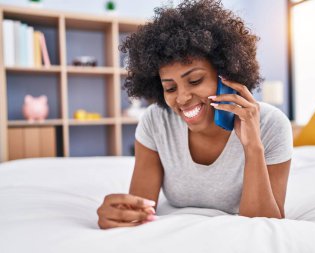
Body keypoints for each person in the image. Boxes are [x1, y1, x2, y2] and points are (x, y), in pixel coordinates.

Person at [97, 0, 293, 229]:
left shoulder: (272, 124)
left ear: (226, 76)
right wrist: (118, 214)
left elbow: (264, 227)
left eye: (195, 80)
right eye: (170, 88)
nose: (181, 98)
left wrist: (253, 147)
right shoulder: (156, 121)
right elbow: (141, 209)